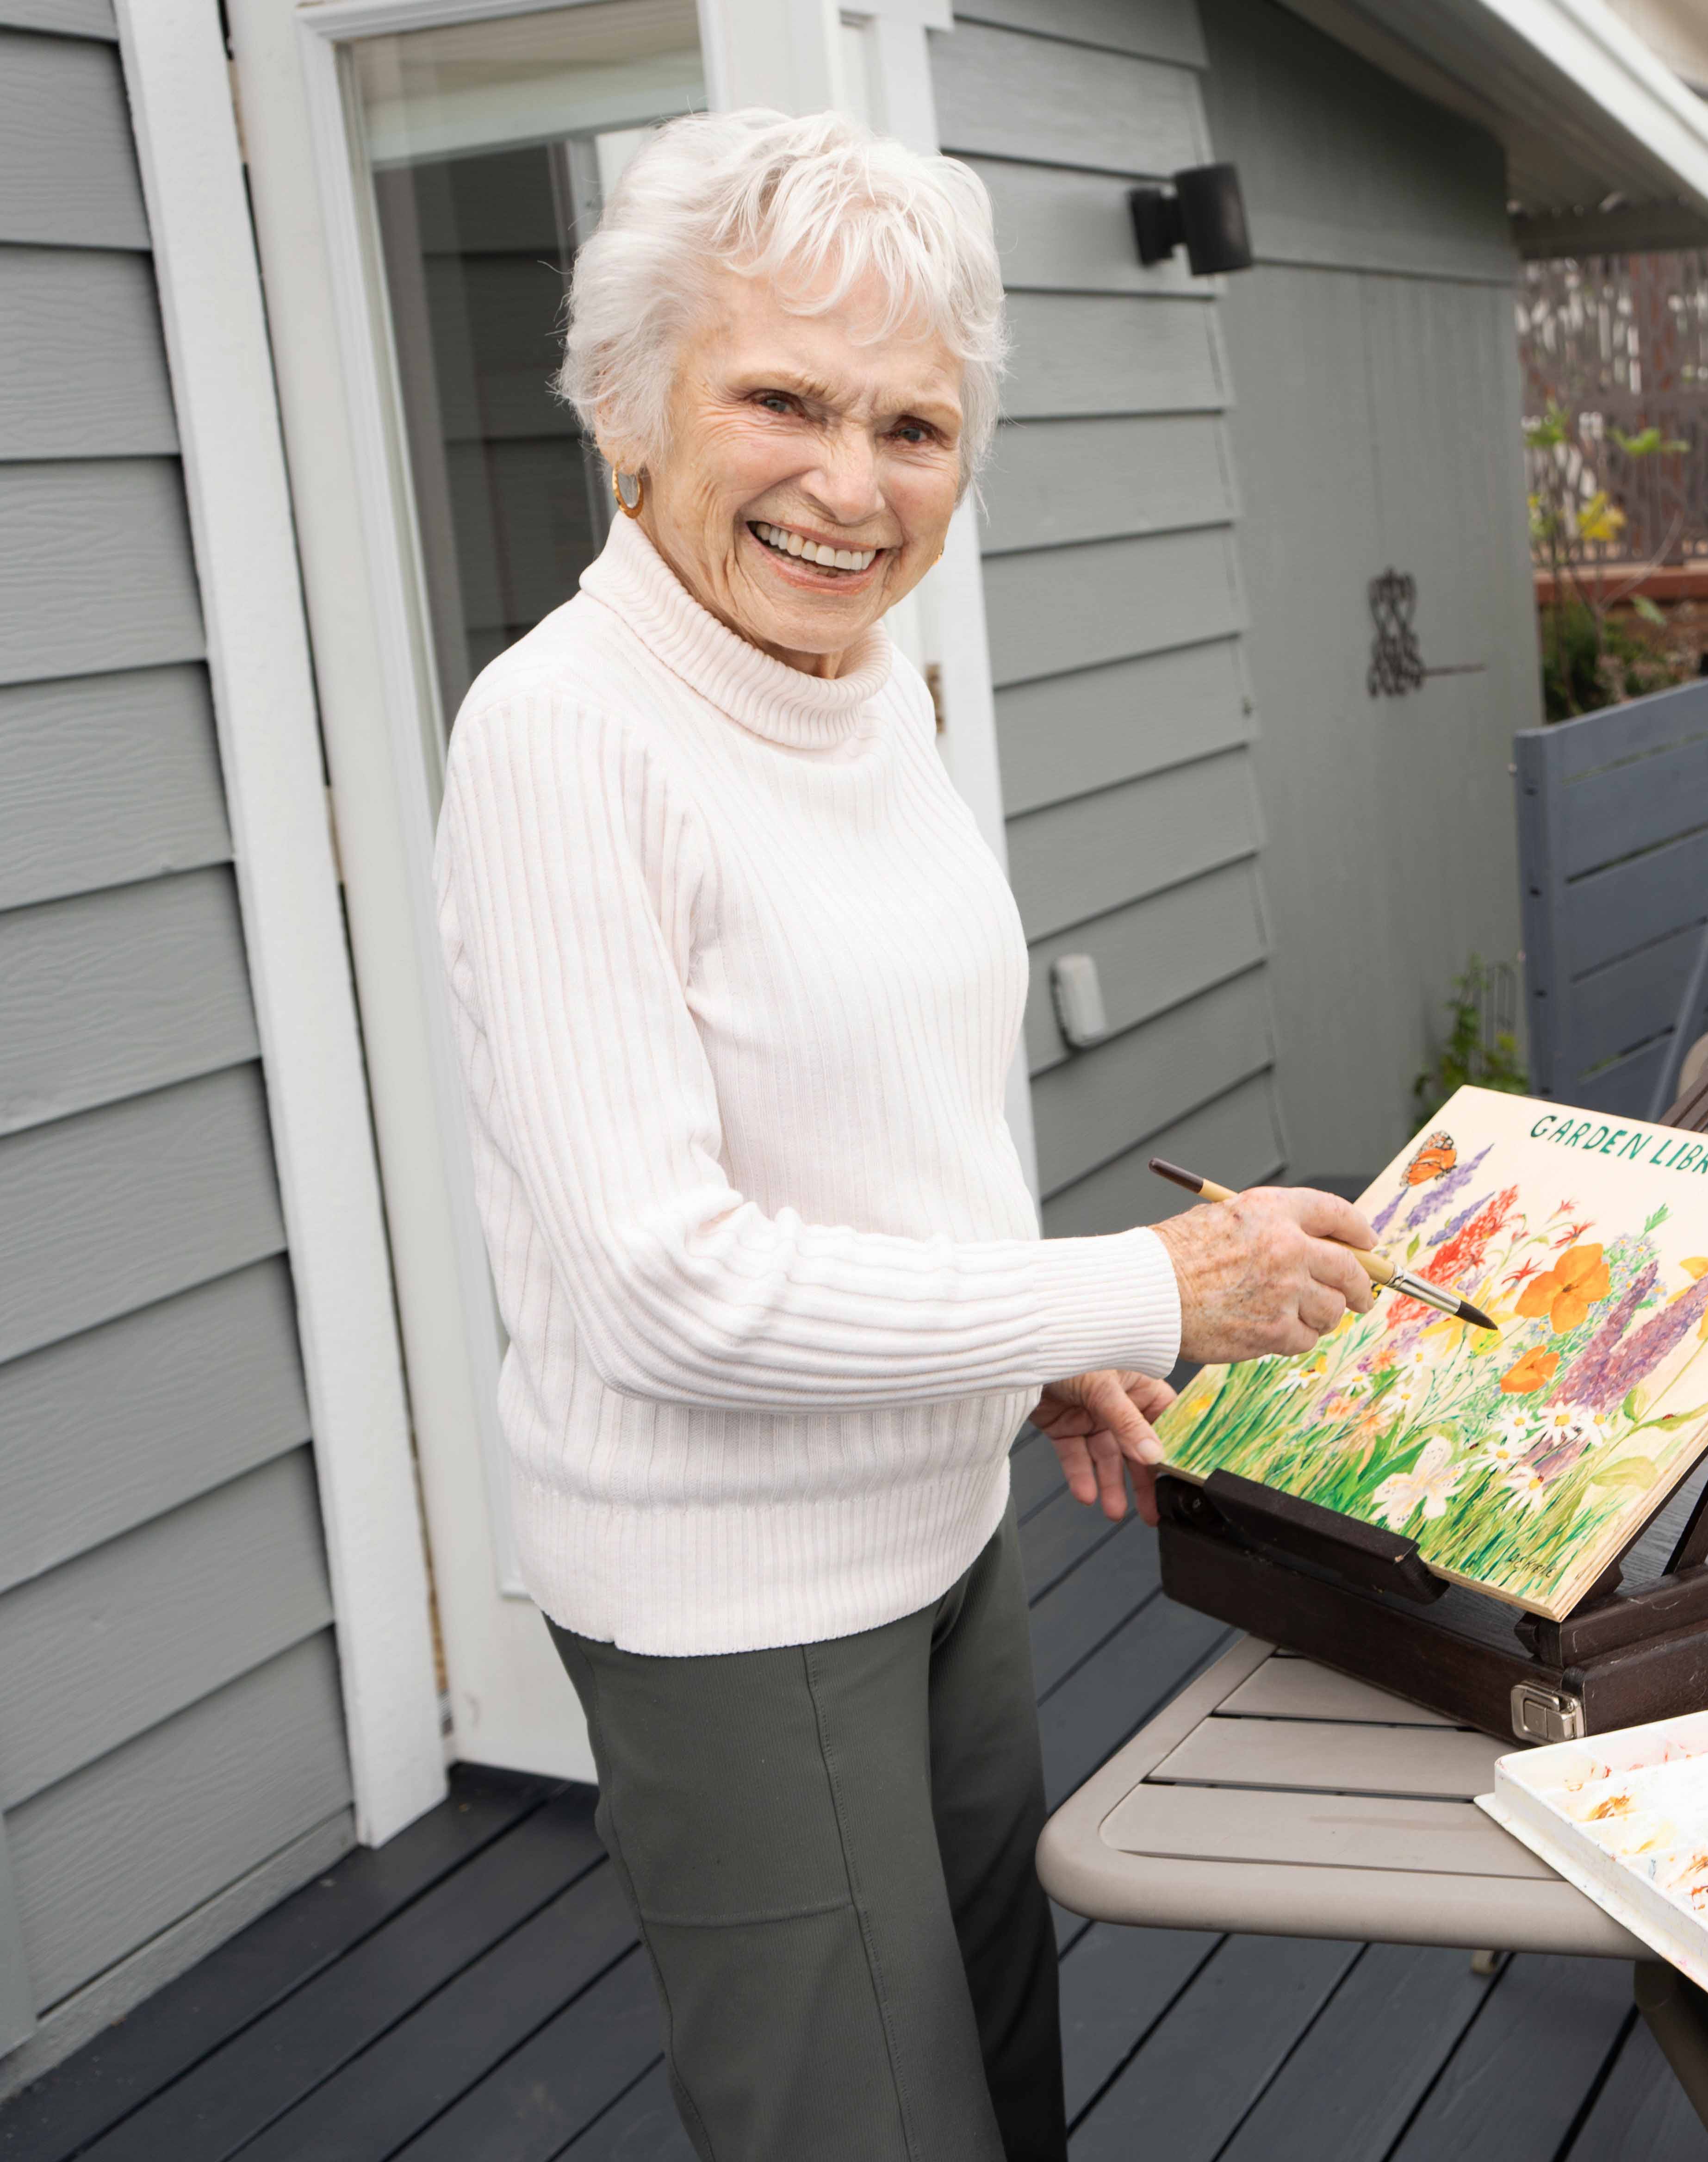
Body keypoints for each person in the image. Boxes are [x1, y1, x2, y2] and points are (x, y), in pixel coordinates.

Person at [430, 107, 1372, 2162]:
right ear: (628, 411)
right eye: (782, 398)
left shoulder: (870, 689)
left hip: (946, 1536)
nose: (850, 488)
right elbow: (668, 1290)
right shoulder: (564, 736)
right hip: (737, 1607)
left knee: (1002, 2089)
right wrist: (1153, 1285)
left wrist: (1044, 1344)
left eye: (915, 426)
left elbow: (877, 1114)